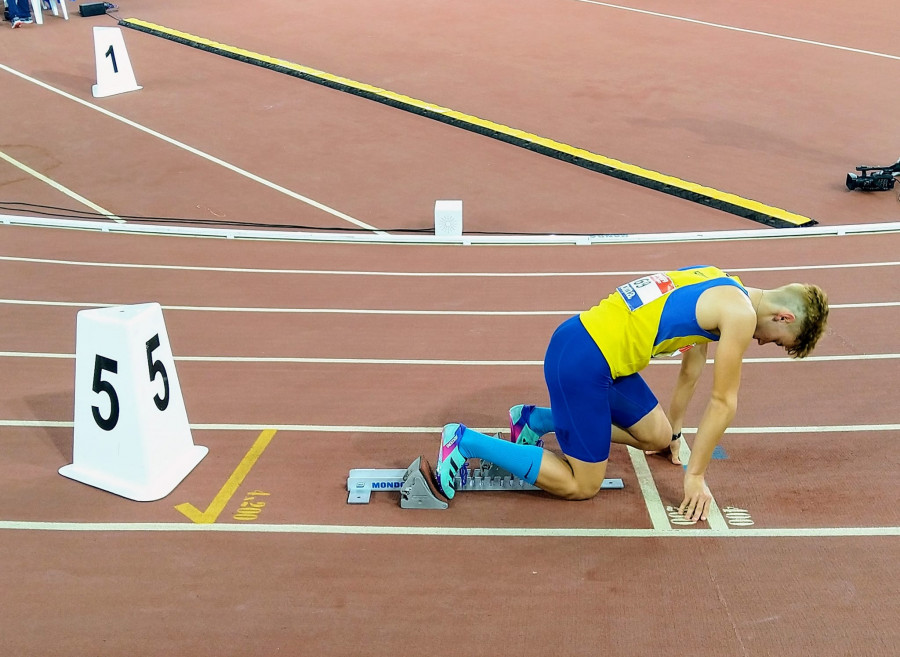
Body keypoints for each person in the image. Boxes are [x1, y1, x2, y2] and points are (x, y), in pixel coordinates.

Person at [434, 265, 828, 522]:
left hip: (596, 351)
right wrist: (696, 476)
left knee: (657, 437)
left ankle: (534, 419)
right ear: (783, 317)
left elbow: (692, 370)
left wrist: (675, 436)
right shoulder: (740, 317)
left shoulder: (721, 281)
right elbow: (724, 401)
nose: (764, 345)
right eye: (778, 341)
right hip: (584, 361)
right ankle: (465, 442)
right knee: (581, 485)